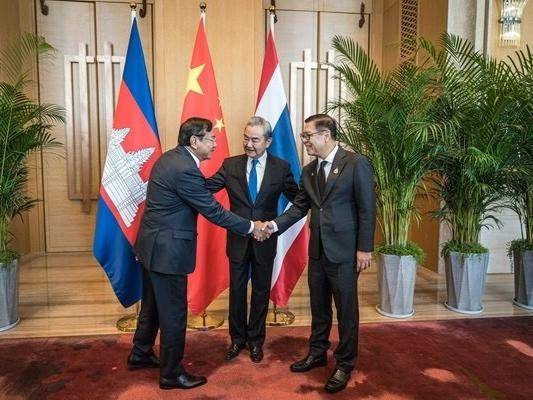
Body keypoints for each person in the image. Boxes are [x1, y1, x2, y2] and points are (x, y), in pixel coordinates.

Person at [127, 117, 268, 390]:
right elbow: (213, 211)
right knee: (173, 314)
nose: (215, 143)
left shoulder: (172, 159)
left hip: (152, 246)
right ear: (194, 141)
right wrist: (252, 227)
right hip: (167, 252)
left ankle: (141, 352)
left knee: (152, 305)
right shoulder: (184, 169)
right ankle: (171, 374)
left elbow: (200, 195)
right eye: (211, 138)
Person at [263, 114, 376, 393]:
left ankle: (345, 363)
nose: (304, 141)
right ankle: (317, 352)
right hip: (318, 251)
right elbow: (299, 207)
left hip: (345, 252)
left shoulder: (355, 163)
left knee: (346, 311)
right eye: (303, 136)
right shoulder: (309, 171)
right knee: (319, 307)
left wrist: (364, 248)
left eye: (308, 136)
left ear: (326, 135)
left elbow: (367, 208)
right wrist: (273, 225)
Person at [206, 116, 299, 363]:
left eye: (255, 140)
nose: (248, 144)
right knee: (237, 292)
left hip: (265, 240)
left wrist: (275, 225)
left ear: (268, 141)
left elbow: (299, 200)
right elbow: (206, 188)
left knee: (260, 292)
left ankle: (256, 340)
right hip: (238, 239)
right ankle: (237, 339)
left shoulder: (281, 167)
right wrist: (183, 175)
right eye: (246, 138)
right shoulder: (230, 165)